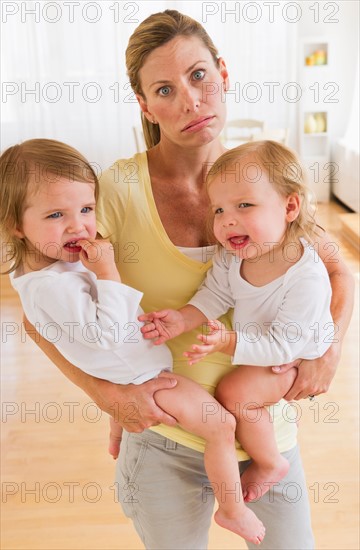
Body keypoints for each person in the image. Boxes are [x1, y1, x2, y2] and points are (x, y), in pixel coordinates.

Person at [19, 10, 354, 550]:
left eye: (199, 76)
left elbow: (339, 269)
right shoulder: (113, 192)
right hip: (162, 438)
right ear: (145, 106)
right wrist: (106, 395)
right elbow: (42, 314)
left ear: (223, 72)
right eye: (165, 90)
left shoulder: (264, 180)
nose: (191, 101)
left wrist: (329, 350)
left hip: (265, 431)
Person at [0, 138, 265, 545]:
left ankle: (118, 435)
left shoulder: (50, 268)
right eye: (56, 214)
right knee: (221, 425)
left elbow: (87, 340)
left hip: (135, 369)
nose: (79, 226)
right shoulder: (50, 287)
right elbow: (108, 332)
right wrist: (107, 270)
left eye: (86, 209)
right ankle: (232, 510)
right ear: (16, 224)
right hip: (146, 380)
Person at [139, 140, 334, 504]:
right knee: (240, 390)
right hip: (267, 346)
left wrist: (228, 341)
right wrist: (181, 319)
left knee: (236, 393)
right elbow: (215, 295)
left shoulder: (304, 275)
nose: (227, 220)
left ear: (290, 206)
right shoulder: (234, 256)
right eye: (218, 209)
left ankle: (270, 461)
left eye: (244, 205)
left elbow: (284, 345)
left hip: (294, 356)